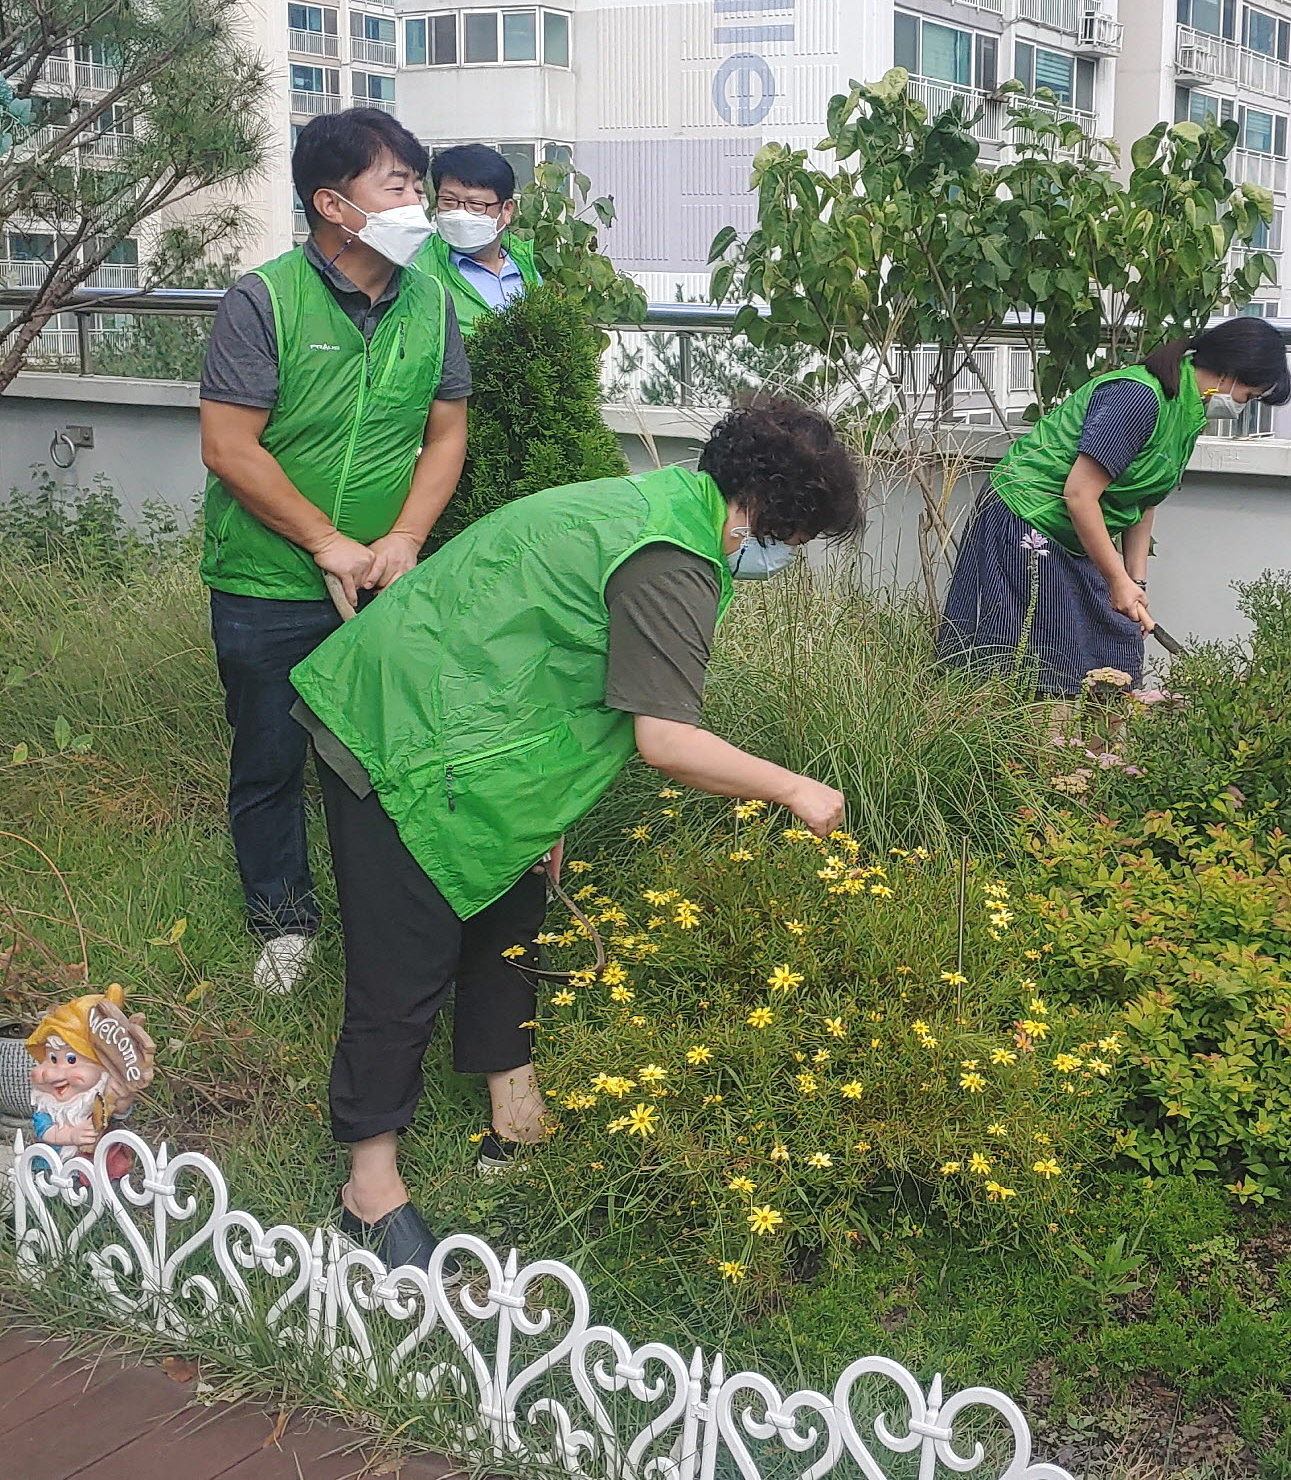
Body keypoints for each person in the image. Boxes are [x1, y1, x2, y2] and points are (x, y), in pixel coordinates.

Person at [288, 395, 861, 1272]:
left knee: (511, 916)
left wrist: (543, 812)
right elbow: (665, 740)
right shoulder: (672, 557)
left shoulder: (660, 505)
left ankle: (516, 1123)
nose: (790, 558)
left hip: (468, 724)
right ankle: (369, 1191)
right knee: (402, 962)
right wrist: (795, 789)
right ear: (761, 511)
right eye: (798, 539)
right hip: (400, 728)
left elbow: (555, 659)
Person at [199, 109, 467, 997]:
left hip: (385, 576)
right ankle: (282, 923)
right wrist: (324, 543)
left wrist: (403, 539)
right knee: (270, 758)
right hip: (266, 581)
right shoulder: (264, 300)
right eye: (398, 185)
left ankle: (392, 925)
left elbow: (445, 433)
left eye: (417, 185)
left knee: (391, 759)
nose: (418, 203)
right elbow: (230, 446)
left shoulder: (430, 303)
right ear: (332, 205)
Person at [938, 319, 1291, 695]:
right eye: (1249, 396)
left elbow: (1142, 500)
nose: (1242, 406)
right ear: (1228, 374)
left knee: (1117, 646)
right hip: (1026, 517)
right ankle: (1035, 731)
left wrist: (1134, 583)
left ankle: (1094, 735)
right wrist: (1117, 580)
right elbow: (1080, 494)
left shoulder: (1186, 411)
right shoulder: (1138, 397)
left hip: (1076, 530)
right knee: (1041, 664)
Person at [411, 142, 542, 324]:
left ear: (507, 210)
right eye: (448, 201)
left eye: (476, 205)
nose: (460, 214)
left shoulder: (524, 267)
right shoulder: (417, 268)